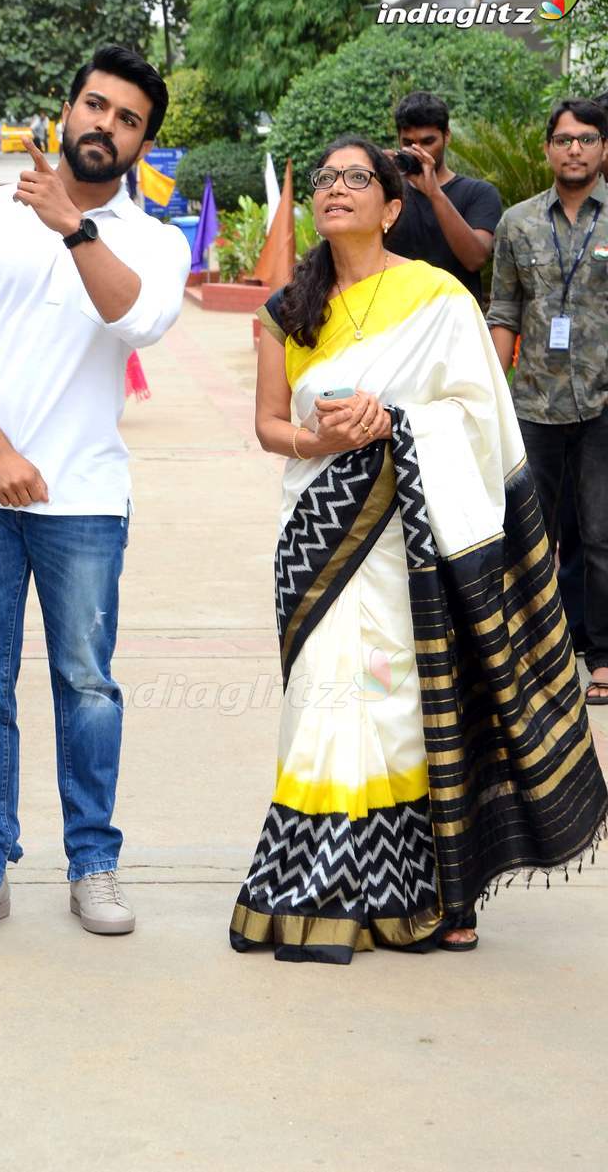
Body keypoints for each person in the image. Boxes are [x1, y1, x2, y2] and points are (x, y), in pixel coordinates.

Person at [230, 135, 606, 965]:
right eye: (326, 179)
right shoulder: (286, 309)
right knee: (323, 701)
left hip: (415, 541)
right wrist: (321, 438)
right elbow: (267, 428)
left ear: (392, 205)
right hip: (322, 535)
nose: (335, 190)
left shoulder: (440, 298)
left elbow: (482, 417)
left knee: (401, 701)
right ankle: (322, 886)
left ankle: (427, 890)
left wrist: (397, 424)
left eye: (356, 178)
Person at [0, 44, 191, 940]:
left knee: (87, 683)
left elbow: (139, 319)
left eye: (128, 119)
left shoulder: (153, 238)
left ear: (143, 141)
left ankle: (94, 865)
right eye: (95, 106)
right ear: (65, 111)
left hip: (86, 502)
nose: (106, 125)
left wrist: (75, 226)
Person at [487, 99, 608, 705]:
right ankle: (532, 652)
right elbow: (505, 309)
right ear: (547, 149)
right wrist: (493, 391)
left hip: (604, 404)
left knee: (602, 532)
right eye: (563, 139)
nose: (575, 150)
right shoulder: (516, 223)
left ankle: (604, 657)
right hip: (533, 402)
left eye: (586, 139)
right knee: (526, 530)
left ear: (603, 148)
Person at [385, 91, 502, 305]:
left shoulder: (479, 193)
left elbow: (475, 259)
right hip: (397, 317)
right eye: (408, 143)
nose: (418, 151)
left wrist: (434, 193)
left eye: (428, 141)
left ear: (447, 136)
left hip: (455, 321)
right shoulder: (388, 194)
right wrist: (374, 176)